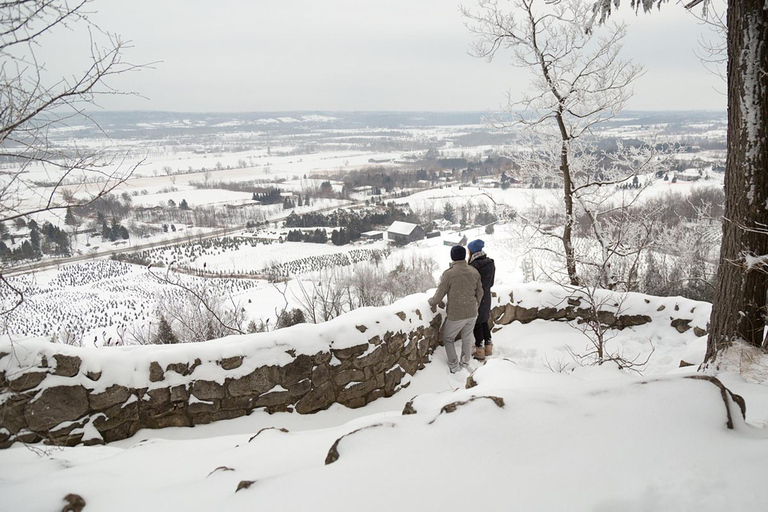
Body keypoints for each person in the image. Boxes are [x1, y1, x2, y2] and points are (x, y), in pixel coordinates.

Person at [428, 245, 484, 373]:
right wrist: (476, 305)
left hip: (456, 314)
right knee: (467, 337)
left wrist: (430, 302)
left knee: (448, 339)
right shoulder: (474, 271)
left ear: (452, 257)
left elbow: (438, 296)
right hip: (472, 312)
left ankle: (454, 366)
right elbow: (480, 292)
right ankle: (465, 363)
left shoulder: (449, 274)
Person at [467, 239, 495, 360]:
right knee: (484, 320)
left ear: (472, 251)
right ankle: (488, 346)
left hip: (477, 297)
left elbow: (470, 285)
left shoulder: (474, 266)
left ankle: (480, 350)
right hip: (487, 295)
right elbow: (491, 282)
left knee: (477, 322)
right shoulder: (490, 263)